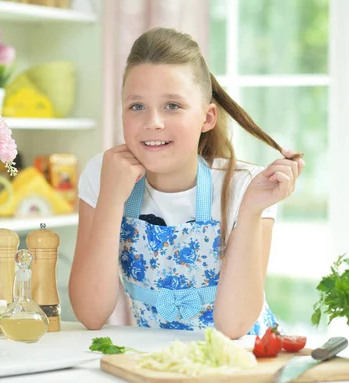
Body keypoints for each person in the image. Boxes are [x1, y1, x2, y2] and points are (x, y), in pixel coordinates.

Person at [68, 27, 304, 339]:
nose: (153, 121)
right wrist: (111, 199)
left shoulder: (244, 186)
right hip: (158, 361)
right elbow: (90, 314)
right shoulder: (104, 174)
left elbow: (234, 327)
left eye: (172, 106)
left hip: (243, 358)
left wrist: (250, 212)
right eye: (136, 106)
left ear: (207, 118)